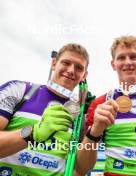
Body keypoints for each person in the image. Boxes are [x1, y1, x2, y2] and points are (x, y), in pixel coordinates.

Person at [0, 43, 97, 176]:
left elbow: (78, 171)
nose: (71, 70)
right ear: (54, 63)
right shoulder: (18, 89)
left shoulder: (80, 116)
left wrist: (96, 132)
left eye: (78, 68)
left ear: (84, 75)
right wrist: (33, 133)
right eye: (66, 63)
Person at [81, 35, 136, 176]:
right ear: (113, 64)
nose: (128, 62)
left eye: (133, 57)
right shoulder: (100, 103)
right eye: (121, 58)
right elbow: (82, 168)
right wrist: (95, 131)